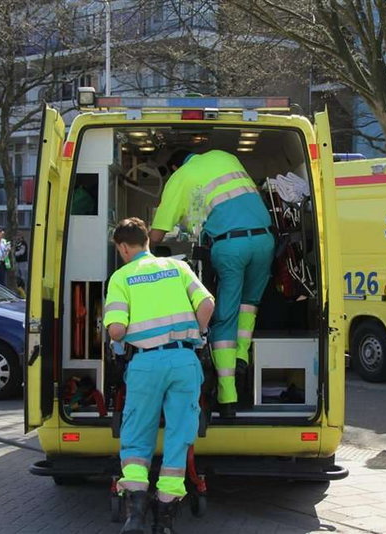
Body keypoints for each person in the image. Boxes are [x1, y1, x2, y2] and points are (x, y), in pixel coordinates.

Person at [103, 217, 214, 534]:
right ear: (146, 242)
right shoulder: (178, 268)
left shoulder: (121, 277)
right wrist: (198, 333)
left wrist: (116, 337)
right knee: (179, 438)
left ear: (124, 247)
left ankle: (135, 515)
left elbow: (117, 328)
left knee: (137, 436)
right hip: (184, 360)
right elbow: (207, 303)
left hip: (146, 364)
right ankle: (164, 521)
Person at [149, 149, 274, 418]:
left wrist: (137, 254)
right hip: (265, 240)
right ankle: (241, 357)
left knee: (225, 319)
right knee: (249, 305)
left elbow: (157, 234)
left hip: (230, 246)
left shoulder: (180, 177)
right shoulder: (225, 157)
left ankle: (228, 398)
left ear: (174, 166)